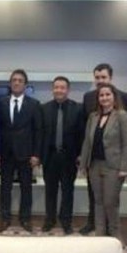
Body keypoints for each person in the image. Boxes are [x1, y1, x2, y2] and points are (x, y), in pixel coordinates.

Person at [80, 63, 127, 235]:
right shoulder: (93, 116)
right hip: (94, 166)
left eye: (107, 95)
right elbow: (87, 142)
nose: (104, 98)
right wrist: (83, 164)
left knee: (110, 203)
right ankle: (100, 235)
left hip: (113, 167)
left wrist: (125, 167)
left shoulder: (122, 116)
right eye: (101, 95)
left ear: (113, 96)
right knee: (97, 202)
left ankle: (114, 237)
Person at [0, 69, 42, 233]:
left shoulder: (34, 104)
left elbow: (38, 131)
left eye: (20, 80)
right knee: (5, 188)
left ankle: (25, 218)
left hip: (26, 154)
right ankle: (5, 218)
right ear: (10, 83)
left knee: (26, 188)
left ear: (25, 84)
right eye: (14, 80)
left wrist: (36, 154)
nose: (16, 83)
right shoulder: (1, 102)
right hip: (6, 153)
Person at [41, 76, 85, 235]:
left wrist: (80, 155)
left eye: (62, 87)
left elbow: (82, 134)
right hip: (50, 157)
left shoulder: (78, 109)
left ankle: (66, 221)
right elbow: (40, 134)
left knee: (68, 191)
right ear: (52, 89)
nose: (59, 90)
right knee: (50, 190)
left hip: (69, 157)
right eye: (56, 87)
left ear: (68, 90)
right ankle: (50, 219)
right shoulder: (44, 108)